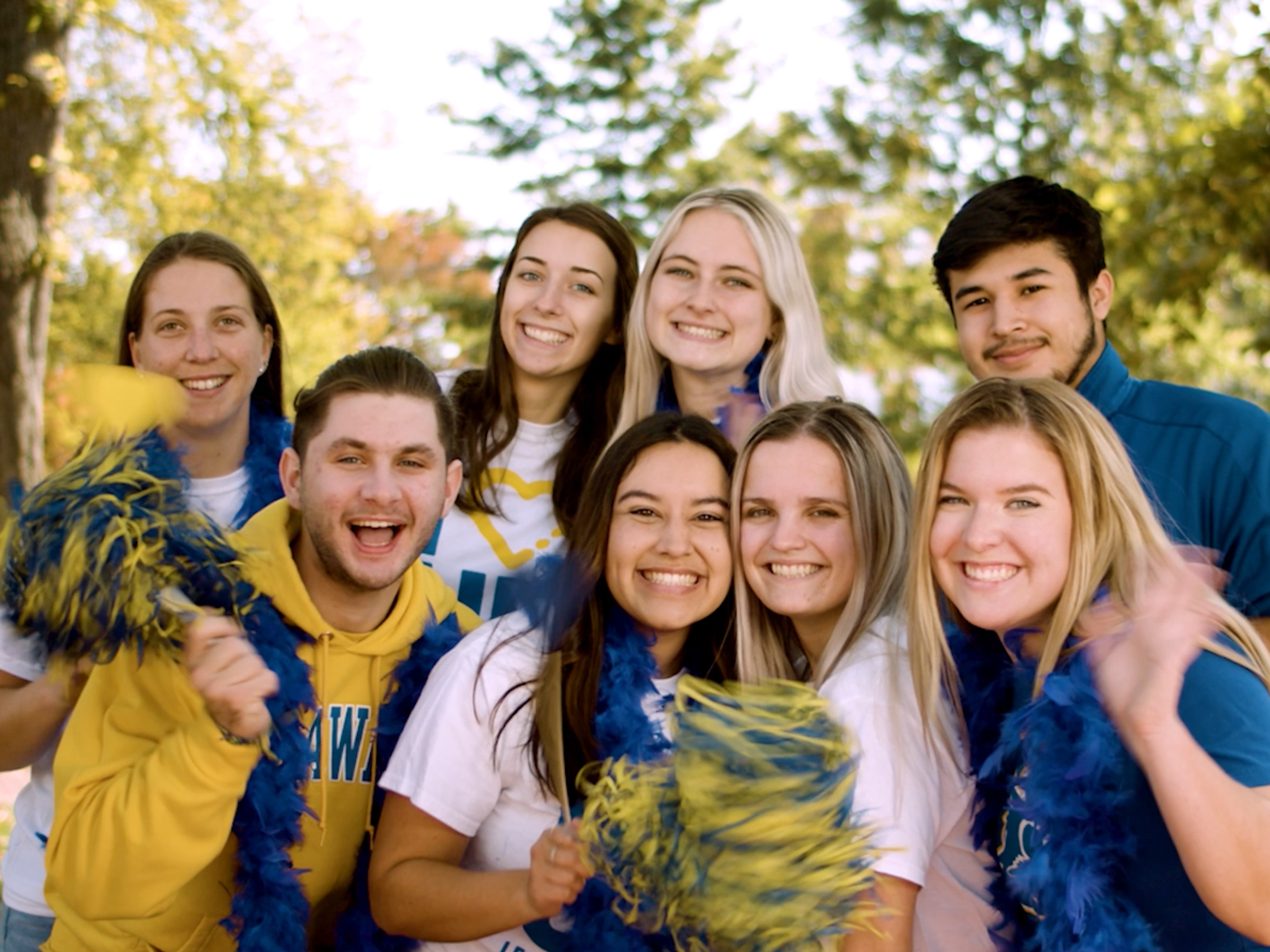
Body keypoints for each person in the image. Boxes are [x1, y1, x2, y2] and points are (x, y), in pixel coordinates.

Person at [41, 346, 479, 951]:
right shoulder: (187, 620)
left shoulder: (462, 658)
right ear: (295, 477)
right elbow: (85, 880)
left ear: (448, 487)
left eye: (411, 462)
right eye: (350, 458)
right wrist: (216, 741)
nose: (381, 491)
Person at [0, 231, 291, 951]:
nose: (200, 350)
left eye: (226, 321)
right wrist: (74, 679)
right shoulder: (64, 516)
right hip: (65, 897)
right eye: (171, 327)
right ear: (136, 351)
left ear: (264, 342)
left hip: (253, 909)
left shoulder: (318, 499)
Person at [909, 376, 1270, 950]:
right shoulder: (1015, 677)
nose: (979, 535)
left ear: (1093, 515)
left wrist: (1154, 727)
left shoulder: (1186, 671)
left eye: (1022, 502)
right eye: (954, 501)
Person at [369, 412, 736, 950]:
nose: (674, 543)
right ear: (599, 528)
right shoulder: (505, 666)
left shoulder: (756, 703)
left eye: (707, 517)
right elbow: (395, 893)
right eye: (642, 511)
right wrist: (528, 893)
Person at [931, 175, 1270, 640]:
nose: (1005, 323)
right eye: (977, 301)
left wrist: (1155, 656)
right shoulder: (949, 474)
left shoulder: (1228, 442)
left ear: (1098, 294)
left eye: (1031, 290)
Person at [733, 400, 996, 951]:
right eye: (759, 511)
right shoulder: (839, 671)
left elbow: (873, 941)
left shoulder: (873, 689)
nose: (783, 539)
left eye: (822, 512)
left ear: (879, 523)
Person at [426, 204, 638, 620]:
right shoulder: (424, 402)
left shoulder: (623, 459)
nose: (547, 303)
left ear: (615, 324)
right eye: (531, 275)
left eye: (582, 288)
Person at [613, 186, 843, 444]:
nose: (700, 302)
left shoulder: (820, 451)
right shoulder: (609, 429)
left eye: (735, 281)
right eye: (681, 271)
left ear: (777, 318)